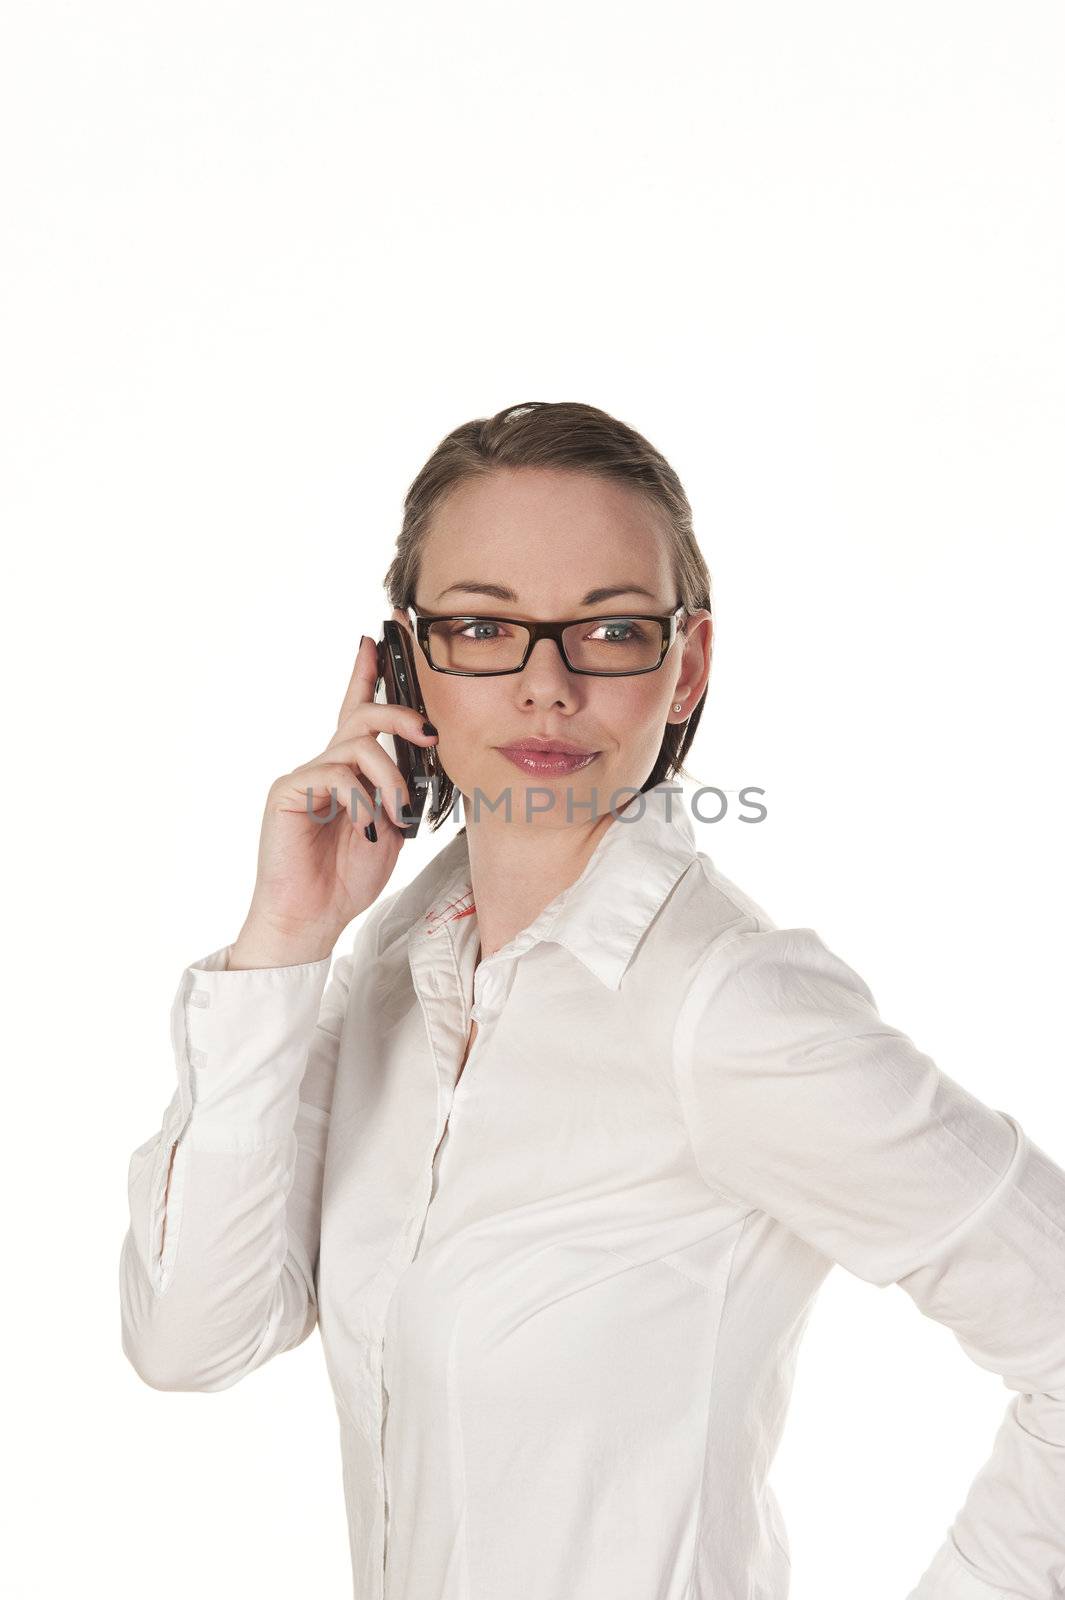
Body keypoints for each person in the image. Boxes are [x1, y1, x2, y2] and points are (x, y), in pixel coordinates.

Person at [119, 400, 1065, 1600]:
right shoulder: (402, 968)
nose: (546, 686)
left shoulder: (727, 1005)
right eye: (482, 626)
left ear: (688, 668)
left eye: (611, 629)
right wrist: (288, 937)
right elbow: (190, 1336)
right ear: (405, 661)